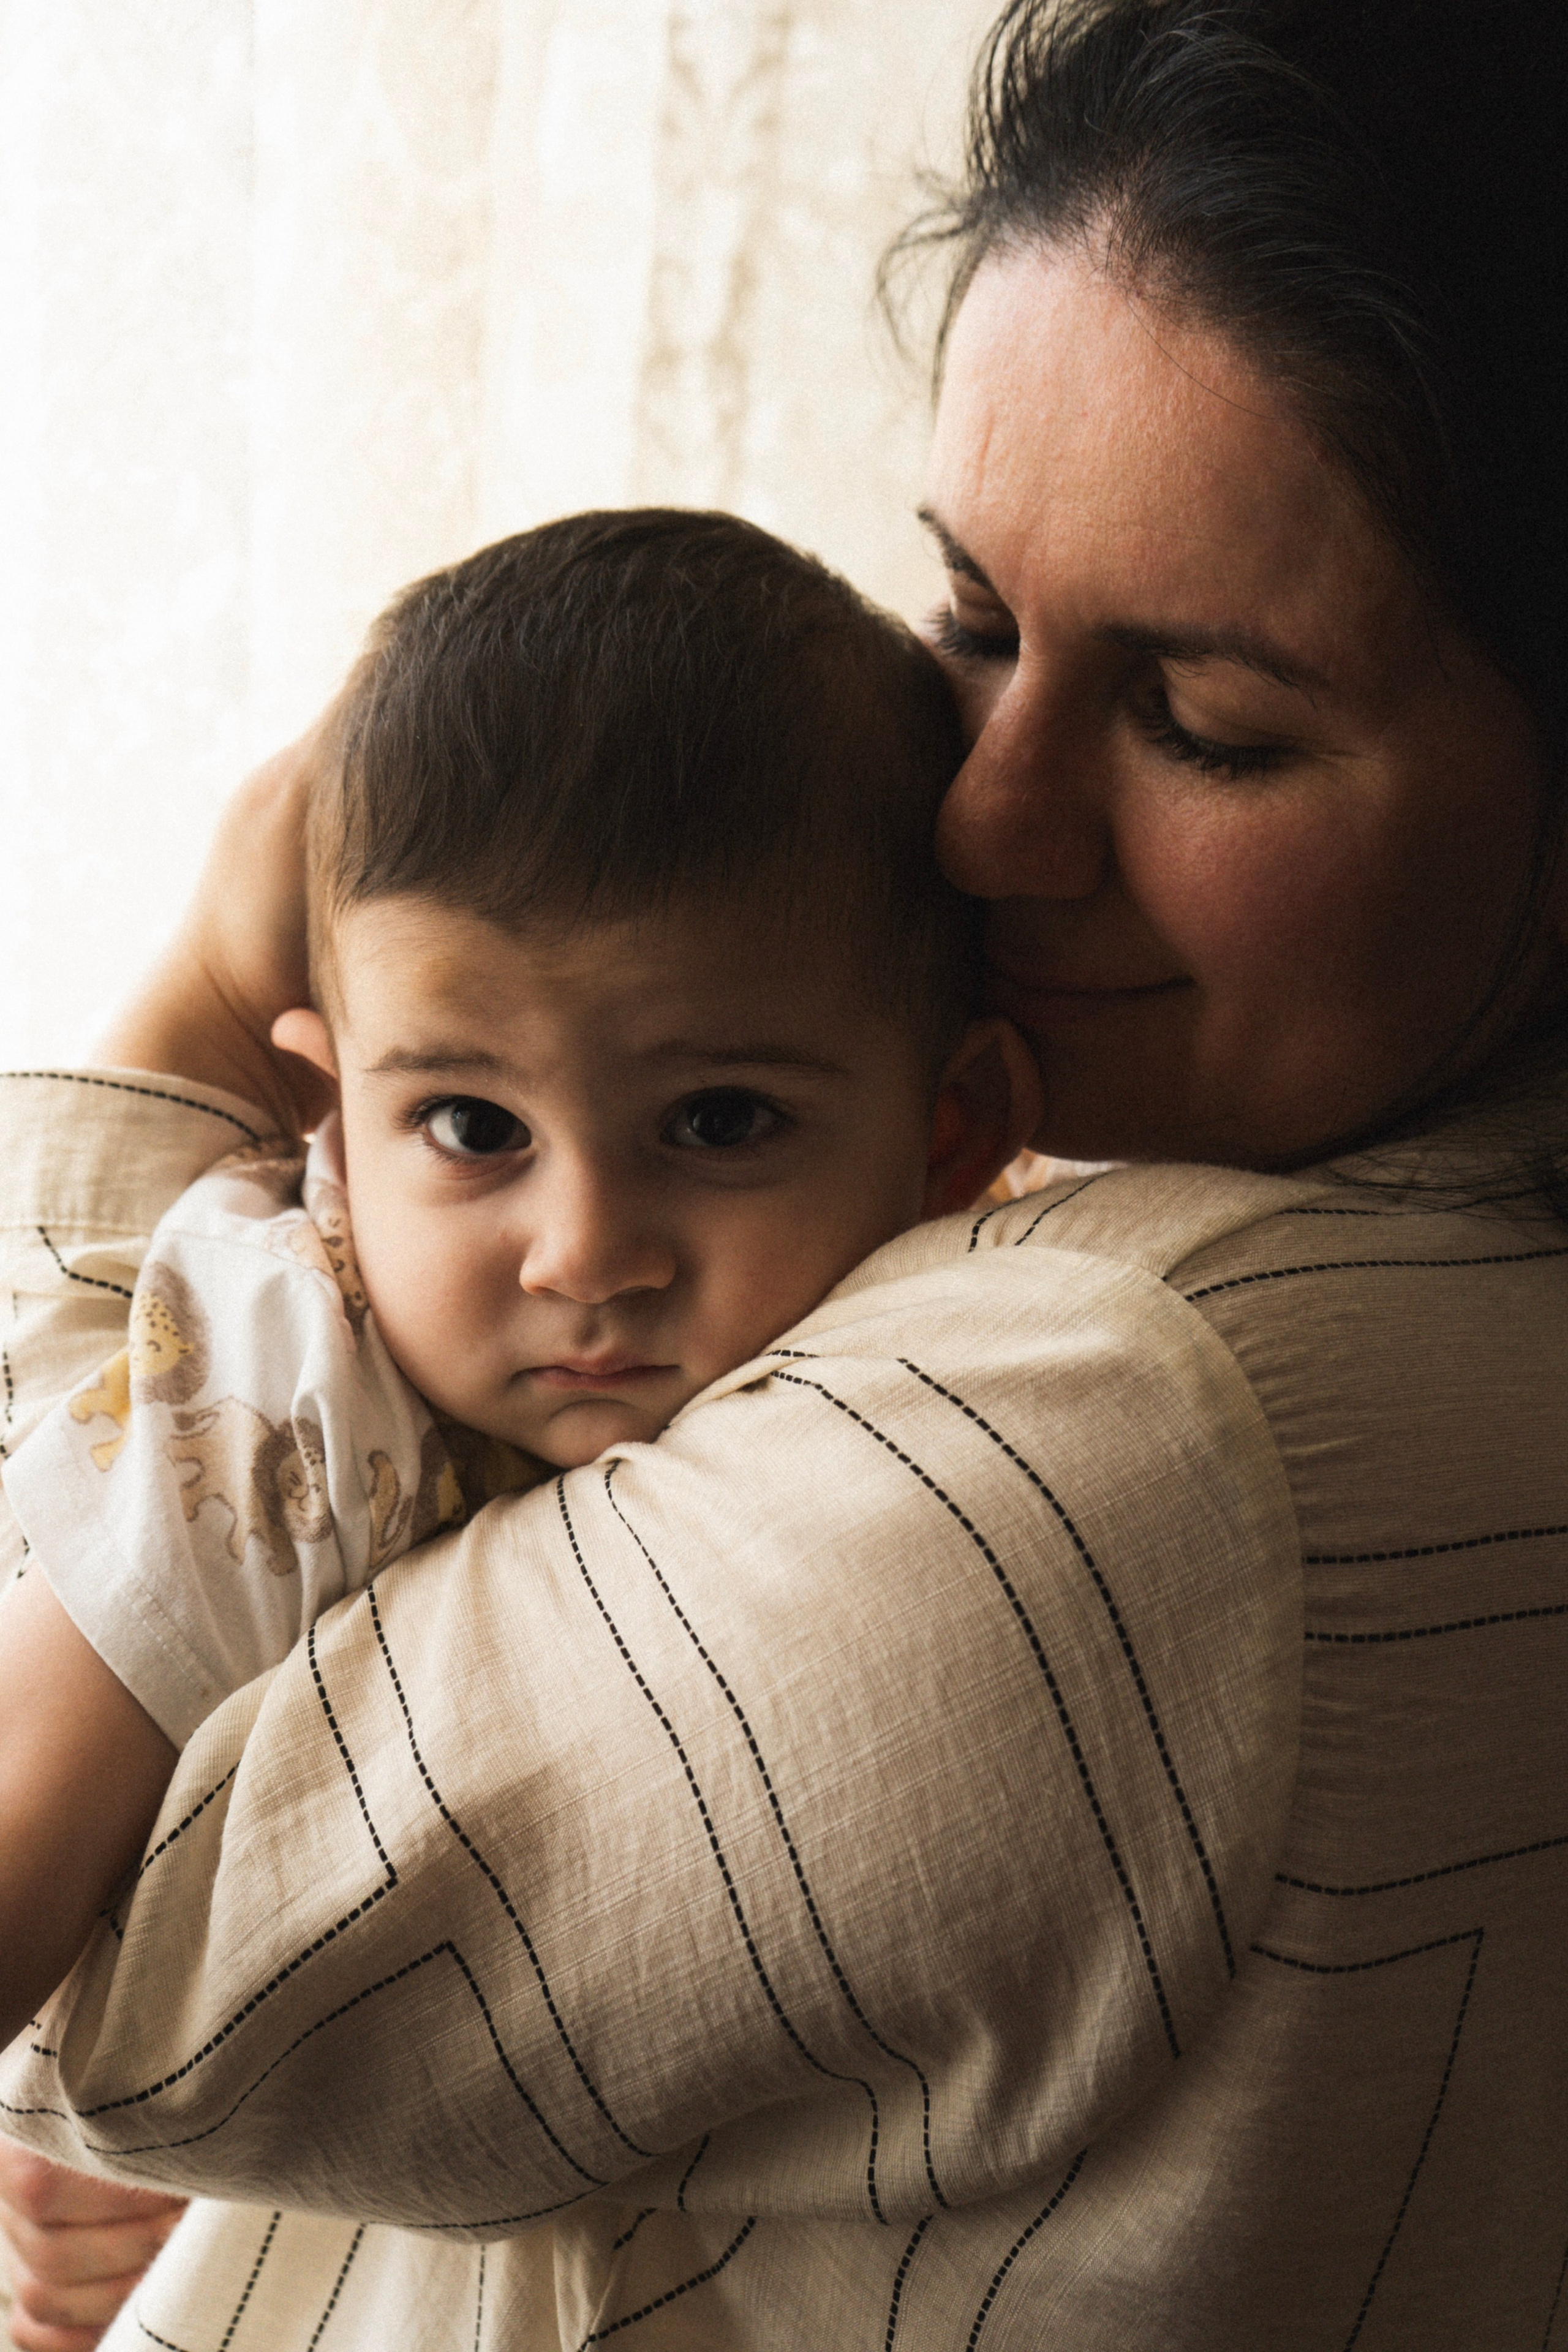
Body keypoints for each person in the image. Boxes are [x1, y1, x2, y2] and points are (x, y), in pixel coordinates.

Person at [4, 0, 1567, 2343]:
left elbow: (125, 1984)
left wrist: (202, 1002)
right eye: (976, 626)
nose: (985, 818)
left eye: (1205, 724)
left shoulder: (1110, 1430)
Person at [0, 507, 1037, 2041]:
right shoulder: (286, 1386)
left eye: (719, 1121)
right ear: (333, 1118)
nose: (584, 1252)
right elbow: (28, 1806)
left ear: (952, 1134)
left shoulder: (990, 1331)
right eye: (473, 1128)